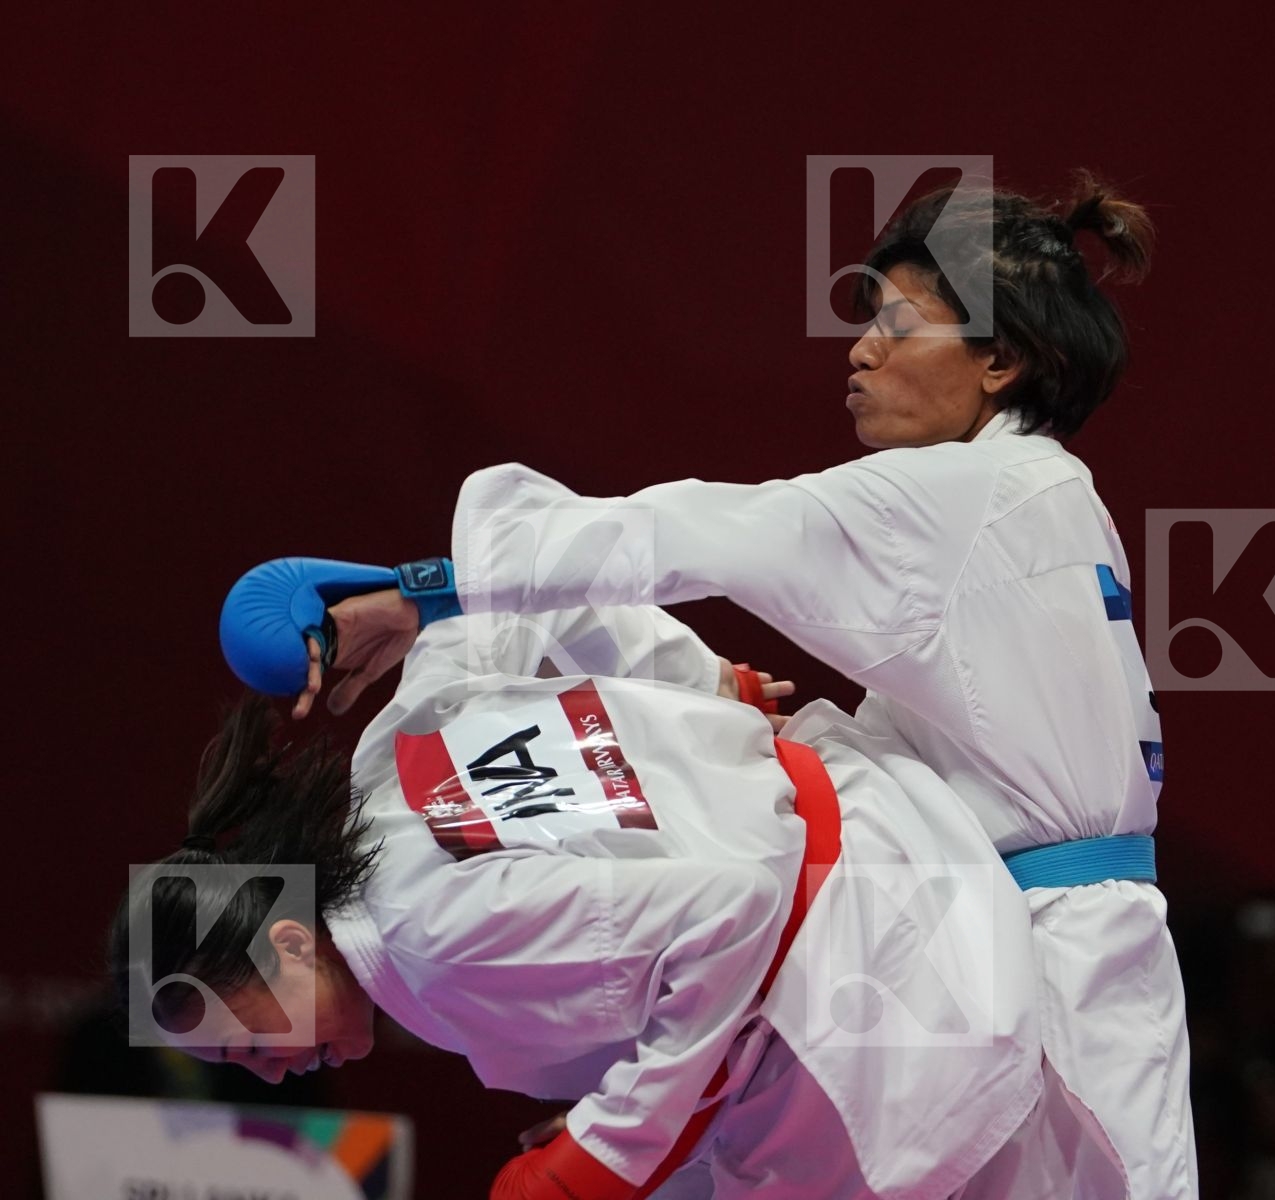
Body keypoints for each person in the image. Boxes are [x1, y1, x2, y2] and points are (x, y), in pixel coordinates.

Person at [297, 170, 1197, 1198]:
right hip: (985, 938)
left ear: (999, 361)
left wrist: (434, 593)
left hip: (1032, 968)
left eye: (902, 328)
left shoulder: (966, 493)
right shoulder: (1029, 490)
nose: (861, 351)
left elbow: (687, 532)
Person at [114, 582, 1056, 1198]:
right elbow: (508, 596)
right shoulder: (382, 769)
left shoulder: (425, 947)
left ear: (284, 944)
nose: (269, 1073)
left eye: (247, 1039)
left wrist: (602, 1150)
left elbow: (731, 910)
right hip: (891, 817)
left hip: (892, 995)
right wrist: (699, 680)